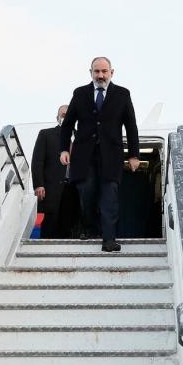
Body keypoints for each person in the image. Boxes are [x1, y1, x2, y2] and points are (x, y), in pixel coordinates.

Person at [59, 57, 139, 252]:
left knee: (109, 198)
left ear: (112, 72)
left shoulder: (122, 94)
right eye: (97, 71)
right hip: (84, 157)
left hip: (111, 156)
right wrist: (63, 149)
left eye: (104, 71)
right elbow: (68, 124)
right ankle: (90, 226)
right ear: (91, 72)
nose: (101, 75)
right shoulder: (80, 93)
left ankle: (109, 239)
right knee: (87, 193)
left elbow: (131, 126)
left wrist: (134, 155)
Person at [32, 105, 72, 238]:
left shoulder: (82, 137)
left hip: (74, 189)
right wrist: (38, 184)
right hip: (51, 188)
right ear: (58, 117)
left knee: (69, 225)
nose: (66, 117)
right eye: (63, 114)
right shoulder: (46, 134)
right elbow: (38, 161)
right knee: (50, 226)